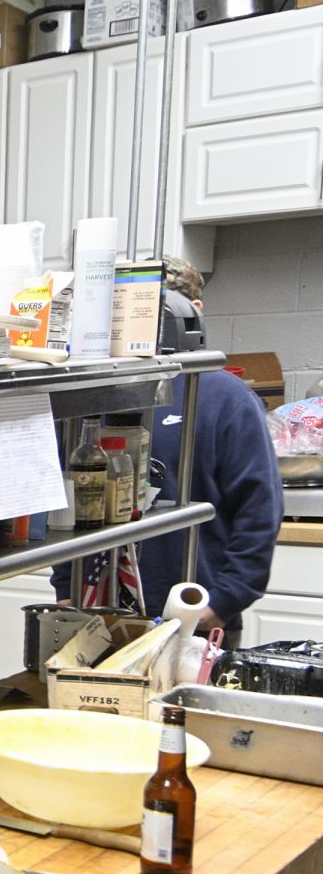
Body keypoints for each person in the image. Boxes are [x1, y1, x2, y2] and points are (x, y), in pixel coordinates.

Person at [135, 257, 282, 642]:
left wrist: (223, 601)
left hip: (198, 621)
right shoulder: (102, 393)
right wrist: (67, 588)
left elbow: (259, 509)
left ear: (193, 313)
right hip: (103, 614)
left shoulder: (227, 399)